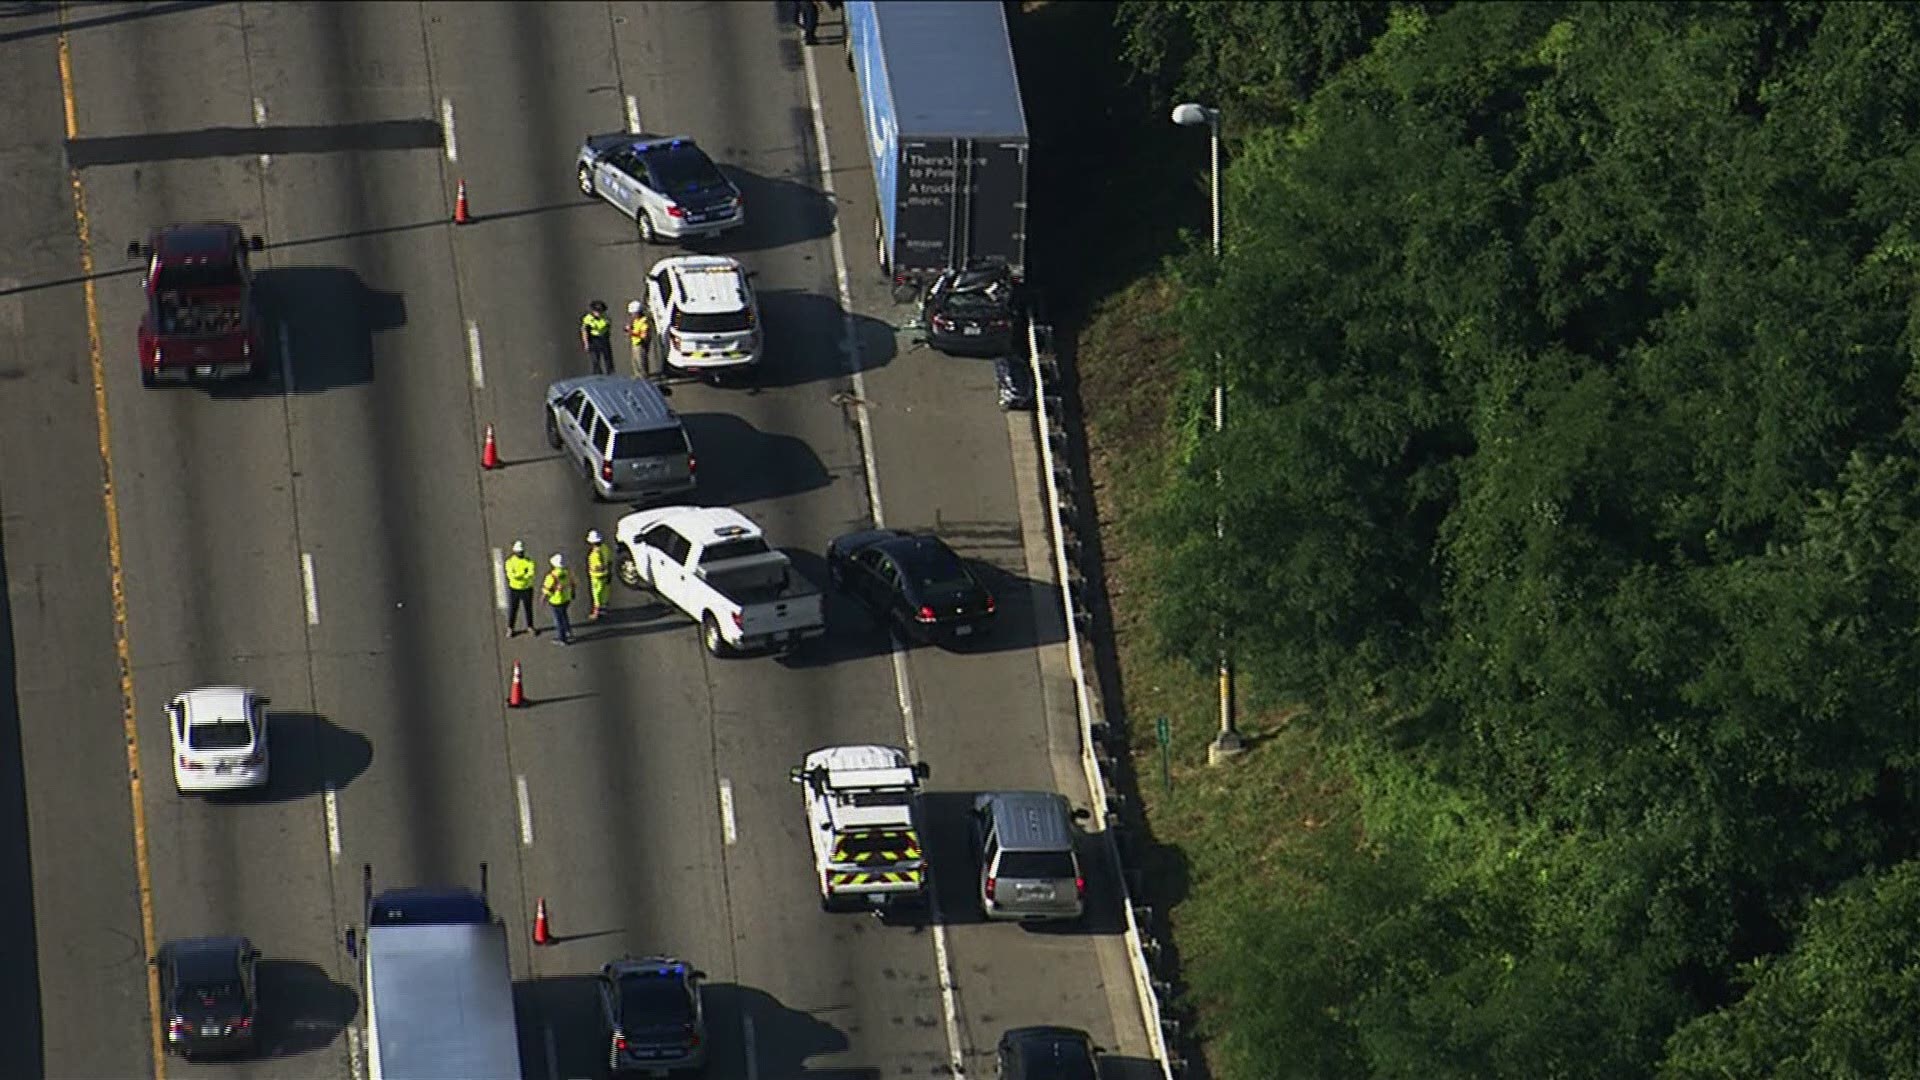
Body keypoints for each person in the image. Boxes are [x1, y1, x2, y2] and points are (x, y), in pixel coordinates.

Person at [503, 539, 538, 636]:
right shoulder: (510, 562)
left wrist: (520, 576)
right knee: (513, 609)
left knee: (528, 609)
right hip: (514, 589)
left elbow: (531, 573)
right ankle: (510, 628)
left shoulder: (529, 561)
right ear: (515, 552)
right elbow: (511, 575)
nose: (520, 554)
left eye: (521, 552)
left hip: (527, 589)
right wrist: (523, 574)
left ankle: (530, 627)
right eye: (519, 552)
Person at [542, 553, 575, 645]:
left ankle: (562, 638)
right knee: (564, 615)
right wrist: (572, 593)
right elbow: (572, 583)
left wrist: (543, 599)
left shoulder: (551, 576)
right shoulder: (567, 572)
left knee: (558, 620)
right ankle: (568, 631)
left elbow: (547, 590)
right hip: (566, 598)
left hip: (556, 600)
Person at [585, 529, 613, 621]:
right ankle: (604, 609)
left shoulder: (595, 554)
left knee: (597, 594)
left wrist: (592, 569)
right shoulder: (605, 548)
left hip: (597, 577)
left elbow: (598, 566)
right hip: (606, 574)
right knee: (604, 593)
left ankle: (596, 613)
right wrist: (609, 572)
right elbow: (609, 561)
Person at [581, 299, 613, 375]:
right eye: (597, 311)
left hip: (604, 338)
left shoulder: (606, 318)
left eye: (600, 311)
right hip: (594, 339)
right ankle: (598, 374)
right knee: (595, 360)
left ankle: (610, 373)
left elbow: (608, 328)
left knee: (608, 358)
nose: (598, 313)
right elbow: (584, 331)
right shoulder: (588, 319)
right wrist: (586, 344)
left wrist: (607, 338)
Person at [627, 300, 653, 378]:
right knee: (635, 362)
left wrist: (631, 332)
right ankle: (637, 376)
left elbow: (643, 336)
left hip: (640, 344)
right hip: (635, 343)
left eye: (633, 314)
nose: (632, 315)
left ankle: (644, 377)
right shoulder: (636, 321)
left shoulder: (644, 322)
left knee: (641, 362)